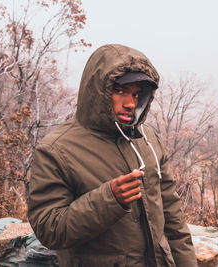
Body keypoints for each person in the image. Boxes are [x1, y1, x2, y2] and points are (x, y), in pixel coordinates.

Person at [27, 44, 197, 267]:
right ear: (97, 91)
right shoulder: (56, 150)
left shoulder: (148, 139)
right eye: (120, 91)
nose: (130, 103)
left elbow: (173, 218)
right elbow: (49, 230)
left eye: (136, 94)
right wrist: (109, 199)